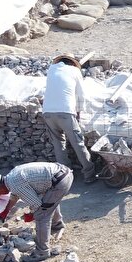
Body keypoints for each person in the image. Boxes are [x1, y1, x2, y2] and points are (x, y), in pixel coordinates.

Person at [0, 162, 74, 262]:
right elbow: (15, 195)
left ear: (0, 187)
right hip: (63, 174)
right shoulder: (11, 178)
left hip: (60, 182)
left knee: (41, 215)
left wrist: (31, 214)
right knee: (49, 202)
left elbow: (36, 204)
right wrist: (5, 211)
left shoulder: (15, 185)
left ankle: (42, 252)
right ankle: (57, 225)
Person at [42, 54, 96, 182]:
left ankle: (65, 176)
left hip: (47, 112)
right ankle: (89, 173)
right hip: (65, 111)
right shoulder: (75, 71)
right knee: (78, 143)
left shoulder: (52, 69)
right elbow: (81, 95)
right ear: (72, 63)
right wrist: (79, 112)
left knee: (58, 144)